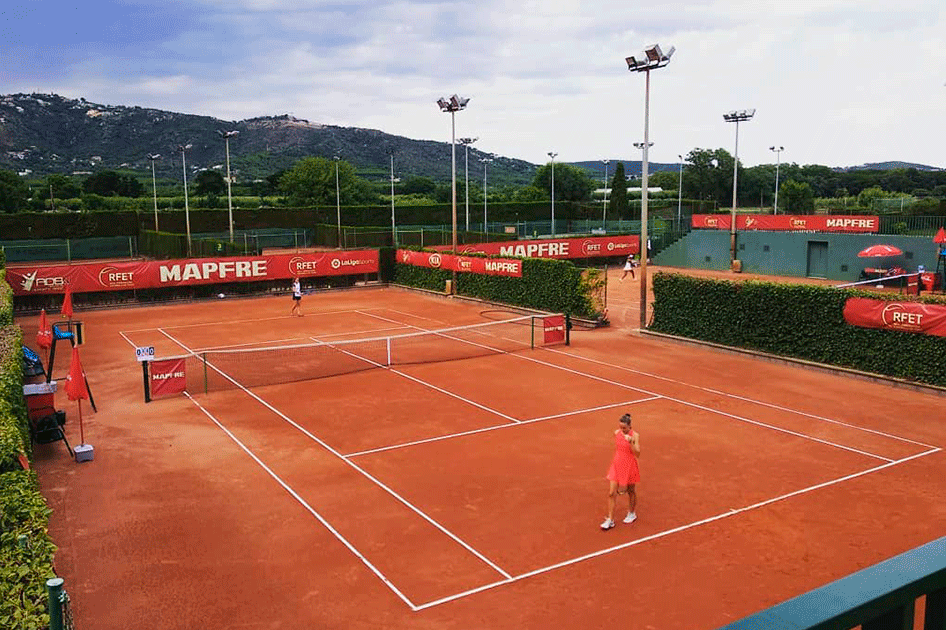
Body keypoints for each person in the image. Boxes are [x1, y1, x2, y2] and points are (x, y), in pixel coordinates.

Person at [601, 412, 640, 530]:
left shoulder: (635, 436)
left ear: (630, 427)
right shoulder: (617, 433)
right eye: (620, 427)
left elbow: (637, 453)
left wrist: (631, 442)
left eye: (624, 428)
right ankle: (610, 519)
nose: (622, 430)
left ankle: (632, 513)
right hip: (617, 465)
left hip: (629, 465)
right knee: (611, 493)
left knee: (631, 490)